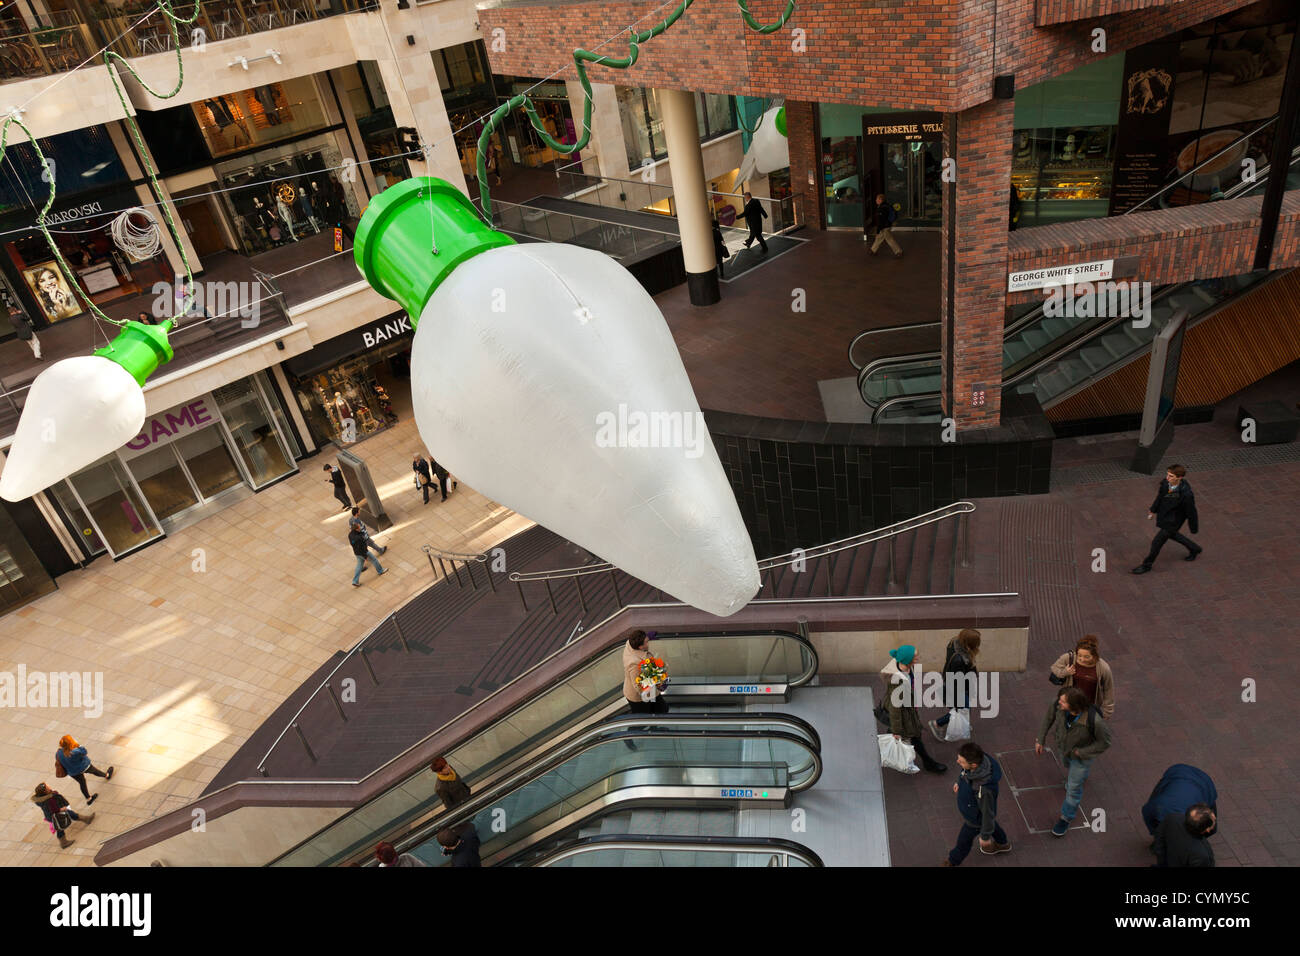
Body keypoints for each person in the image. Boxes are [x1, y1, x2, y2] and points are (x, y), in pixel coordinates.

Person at [1036, 686, 1112, 837]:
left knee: (1073, 788)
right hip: (1064, 749)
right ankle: (1078, 777)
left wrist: (1082, 752)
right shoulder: (1058, 706)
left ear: (1074, 705)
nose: (1059, 703)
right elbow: (1048, 719)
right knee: (1067, 765)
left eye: (1063, 701)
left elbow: (1105, 742)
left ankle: (1066, 817)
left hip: (1081, 757)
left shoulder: (1094, 721)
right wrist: (1040, 739)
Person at [942, 742, 1010, 865]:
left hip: (974, 820)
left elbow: (988, 814)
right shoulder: (977, 762)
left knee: (964, 841)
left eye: (961, 761)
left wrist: (984, 837)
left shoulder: (984, 790)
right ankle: (1002, 843)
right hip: (976, 811)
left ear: (973, 765)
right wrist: (960, 782)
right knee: (991, 824)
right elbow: (964, 772)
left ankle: (952, 861)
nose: (957, 762)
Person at [881, 645, 946, 773]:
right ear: (907, 660)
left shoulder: (906, 667)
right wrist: (896, 730)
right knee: (915, 736)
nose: (918, 658)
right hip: (905, 715)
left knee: (913, 736)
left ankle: (920, 761)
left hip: (910, 710)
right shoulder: (897, 682)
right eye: (915, 656)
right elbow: (895, 709)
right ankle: (928, 763)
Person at [1132, 464, 1201, 573]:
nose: (1167, 478)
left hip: (1173, 521)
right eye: (1167, 475)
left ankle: (1146, 565)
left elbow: (1191, 512)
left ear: (1180, 477)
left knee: (1157, 542)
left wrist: (1193, 528)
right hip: (1165, 516)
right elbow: (1160, 497)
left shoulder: (1186, 494)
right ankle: (1194, 548)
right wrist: (1153, 509)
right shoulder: (1165, 484)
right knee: (1172, 535)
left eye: (1171, 476)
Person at [930, 628, 980, 740]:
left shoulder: (954, 643)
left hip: (955, 685)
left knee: (964, 709)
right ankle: (937, 723)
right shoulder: (960, 660)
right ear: (969, 644)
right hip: (958, 689)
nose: (978, 646)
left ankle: (963, 721)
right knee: (961, 709)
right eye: (976, 644)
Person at [1141, 764, 1218, 838]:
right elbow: (1147, 812)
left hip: (1188, 777)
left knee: (1211, 829)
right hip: (1181, 776)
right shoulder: (1159, 807)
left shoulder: (1159, 807)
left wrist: (1155, 832)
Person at [1048, 634, 1115, 718]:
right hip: (1069, 704)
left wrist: (1107, 712)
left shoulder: (1103, 668)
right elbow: (1054, 668)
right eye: (1079, 655)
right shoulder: (1069, 658)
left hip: (1089, 707)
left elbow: (1108, 690)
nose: (1082, 659)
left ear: (1094, 655)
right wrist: (1065, 672)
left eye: (1087, 657)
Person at [54, 734, 113, 804]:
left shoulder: (58, 753)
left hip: (73, 772)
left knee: (82, 783)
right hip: (83, 766)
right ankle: (107, 775)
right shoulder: (74, 752)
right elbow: (84, 751)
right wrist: (78, 745)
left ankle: (89, 798)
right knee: (95, 771)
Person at [32, 783, 93, 849]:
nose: (49, 786)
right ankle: (64, 843)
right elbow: (55, 810)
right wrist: (63, 808)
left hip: (49, 815)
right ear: (45, 791)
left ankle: (86, 819)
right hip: (56, 815)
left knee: (69, 816)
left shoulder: (41, 799)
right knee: (60, 827)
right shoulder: (50, 799)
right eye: (47, 786)